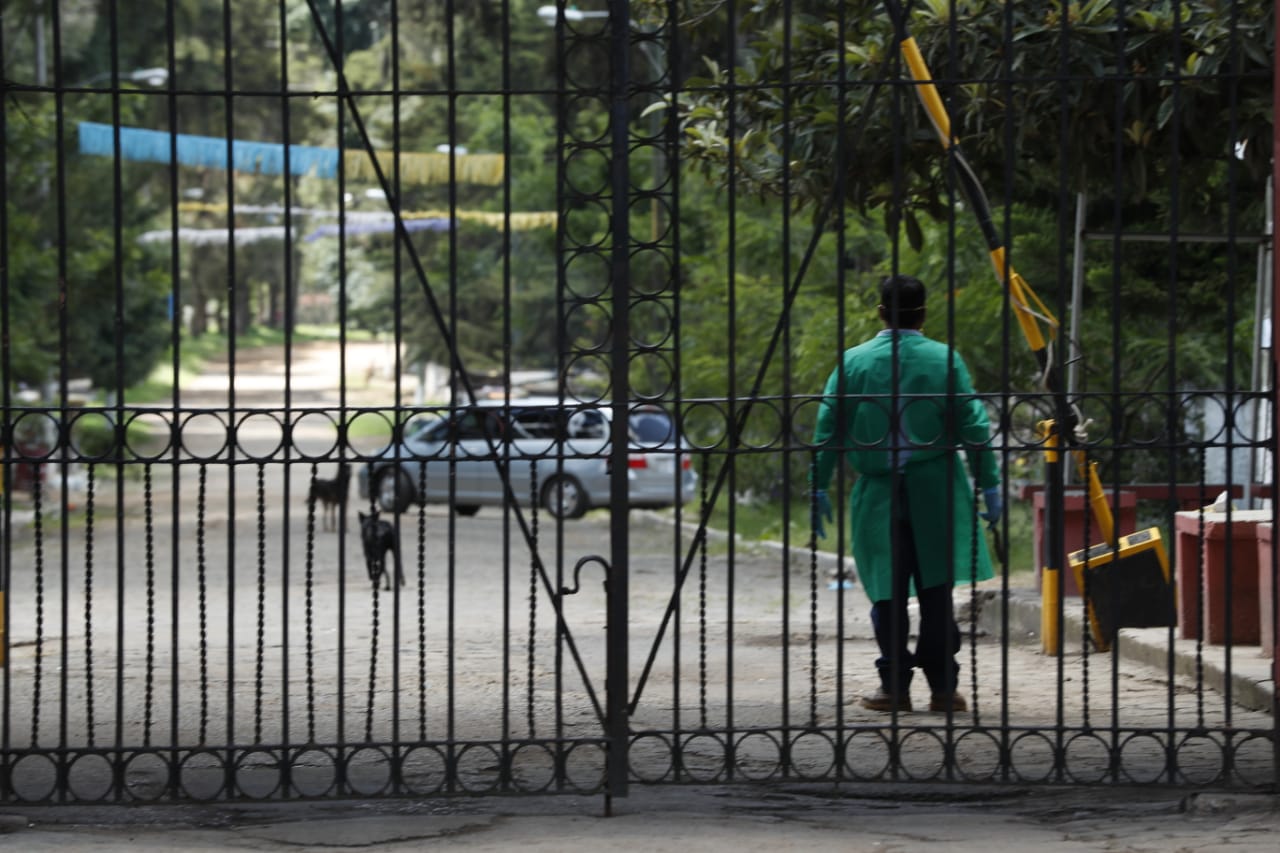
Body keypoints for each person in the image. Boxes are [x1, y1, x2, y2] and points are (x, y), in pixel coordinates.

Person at [810, 274, 1002, 713]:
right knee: (936, 590)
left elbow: (827, 429)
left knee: (887, 591)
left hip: (878, 493)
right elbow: (973, 425)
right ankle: (943, 688)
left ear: (881, 312)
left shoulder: (853, 362)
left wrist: (817, 485)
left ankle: (894, 686)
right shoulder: (945, 360)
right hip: (936, 489)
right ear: (924, 313)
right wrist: (989, 481)